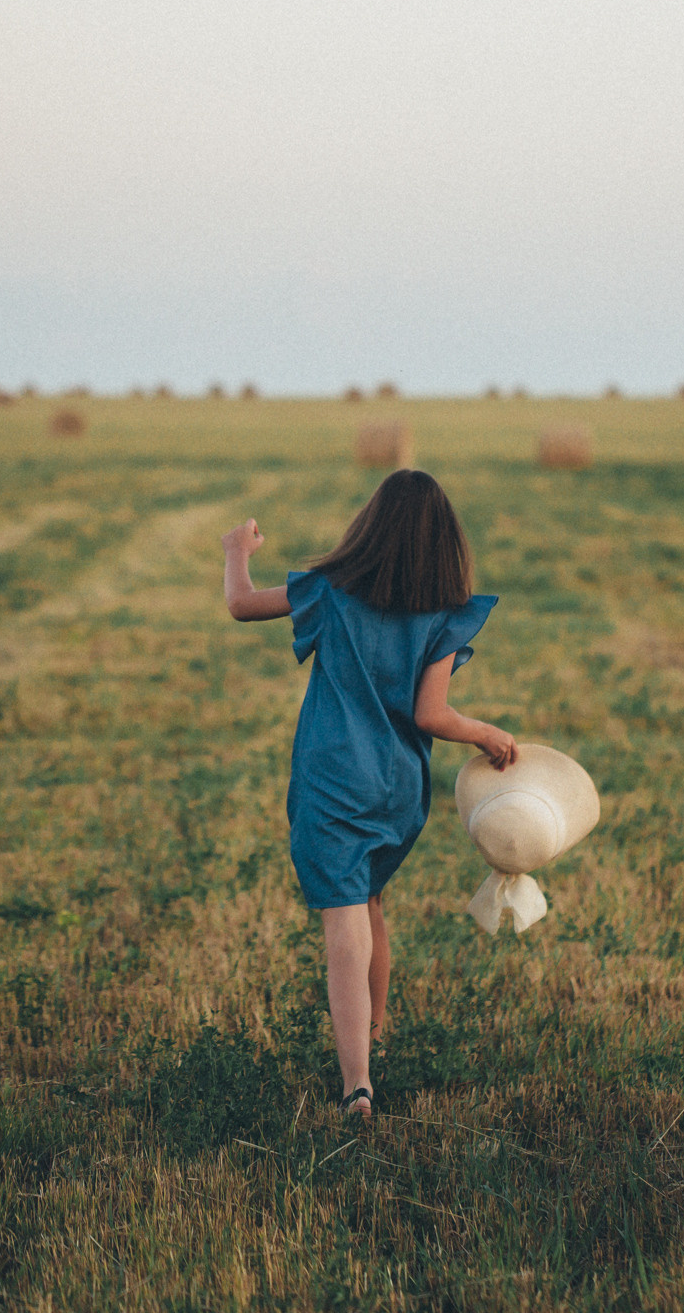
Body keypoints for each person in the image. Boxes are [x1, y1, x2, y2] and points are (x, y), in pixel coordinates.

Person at [221, 469, 517, 1120]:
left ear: (369, 530)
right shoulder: (444, 614)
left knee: (344, 927)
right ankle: (376, 1036)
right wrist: (484, 734)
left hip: (335, 783)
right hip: (399, 792)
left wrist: (236, 553)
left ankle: (358, 1083)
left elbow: (241, 605)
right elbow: (433, 716)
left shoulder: (331, 591)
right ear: (445, 543)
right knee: (371, 904)